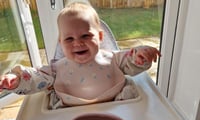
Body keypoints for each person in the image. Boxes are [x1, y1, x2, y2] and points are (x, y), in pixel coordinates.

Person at [0, 2, 160, 109]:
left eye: (85, 36)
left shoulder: (113, 58)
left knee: (131, 95)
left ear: (100, 37)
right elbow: (36, 78)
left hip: (114, 106)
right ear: (61, 43)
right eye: (69, 39)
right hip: (70, 113)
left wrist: (141, 56)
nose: (77, 43)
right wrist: (18, 80)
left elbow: (131, 61)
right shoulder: (56, 70)